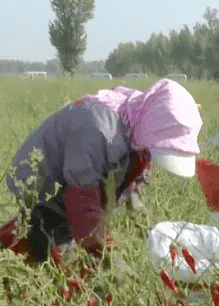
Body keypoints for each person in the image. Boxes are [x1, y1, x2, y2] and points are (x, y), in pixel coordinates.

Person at [1, 79, 204, 263]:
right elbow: (83, 202)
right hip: (43, 182)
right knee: (52, 248)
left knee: (68, 245)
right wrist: (105, 256)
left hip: (77, 184)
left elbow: (133, 187)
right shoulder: (98, 130)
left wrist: (146, 234)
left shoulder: (141, 127)